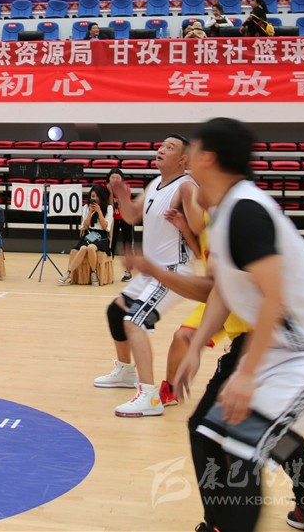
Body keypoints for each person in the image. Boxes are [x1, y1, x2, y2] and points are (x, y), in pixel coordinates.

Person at [174, 117, 304, 532]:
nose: (187, 157)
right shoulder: (223, 212)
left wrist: (246, 375)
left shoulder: (246, 211)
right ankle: (227, 522)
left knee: (242, 449)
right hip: (282, 348)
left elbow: (273, 297)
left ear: (208, 158)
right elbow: (224, 290)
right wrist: (196, 347)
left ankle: (252, 518)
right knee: (204, 432)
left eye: (193, 150)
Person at [95, 134, 199, 417]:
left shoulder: (187, 187)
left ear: (183, 159)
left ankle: (150, 396)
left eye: (170, 147)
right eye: (162, 145)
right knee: (116, 312)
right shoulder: (155, 184)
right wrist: (121, 195)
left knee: (134, 321)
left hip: (173, 272)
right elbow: (131, 216)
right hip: (151, 271)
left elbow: (202, 237)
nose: (161, 149)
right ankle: (126, 371)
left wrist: (184, 225)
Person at [57, 183, 113, 286]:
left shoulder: (108, 208)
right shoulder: (86, 207)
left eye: (96, 196)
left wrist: (99, 211)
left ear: (101, 197)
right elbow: (85, 225)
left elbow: (105, 227)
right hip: (90, 233)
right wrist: (90, 213)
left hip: (102, 235)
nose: (94, 199)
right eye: (92, 196)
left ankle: (93, 273)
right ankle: (68, 273)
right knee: (83, 248)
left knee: (91, 247)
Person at [106, 168, 135, 282]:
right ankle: (107, 271)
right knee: (110, 245)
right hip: (113, 219)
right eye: (112, 177)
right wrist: (110, 193)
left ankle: (128, 272)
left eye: (117, 178)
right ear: (109, 179)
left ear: (122, 179)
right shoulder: (106, 190)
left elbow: (121, 205)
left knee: (127, 245)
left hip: (126, 218)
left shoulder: (125, 189)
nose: (115, 180)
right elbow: (110, 207)